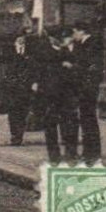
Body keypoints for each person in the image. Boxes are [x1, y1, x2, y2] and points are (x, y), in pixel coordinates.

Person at [38, 26, 80, 162]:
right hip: (49, 93)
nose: (57, 41)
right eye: (55, 38)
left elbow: (73, 64)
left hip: (66, 92)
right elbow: (46, 62)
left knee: (69, 123)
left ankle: (70, 153)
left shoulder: (65, 50)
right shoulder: (45, 50)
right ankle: (54, 154)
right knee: (50, 124)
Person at [68, 20, 105, 162]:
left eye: (74, 32)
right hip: (83, 87)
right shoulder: (82, 44)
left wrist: (72, 66)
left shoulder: (92, 43)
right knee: (86, 119)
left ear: (81, 31)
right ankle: (89, 152)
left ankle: (92, 153)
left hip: (88, 88)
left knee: (88, 119)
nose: (73, 35)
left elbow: (87, 65)